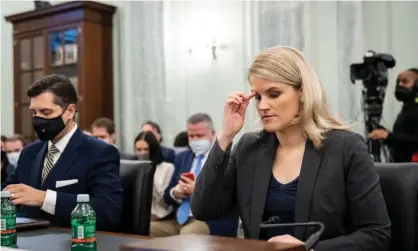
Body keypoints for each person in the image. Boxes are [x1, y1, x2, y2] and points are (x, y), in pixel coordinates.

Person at [191, 46, 391, 250]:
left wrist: (309, 249)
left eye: (274, 94)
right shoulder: (249, 147)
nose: (262, 106)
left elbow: (377, 234)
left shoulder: (346, 147)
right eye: (258, 97)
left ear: (303, 92)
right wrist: (225, 136)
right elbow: (203, 209)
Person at [2, 75, 123, 231]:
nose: (38, 120)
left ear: (70, 111)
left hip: (73, 242)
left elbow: (108, 212)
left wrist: (44, 198)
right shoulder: (30, 152)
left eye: (46, 112)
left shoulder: (100, 152)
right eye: (34, 113)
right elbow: (8, 192)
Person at [150, 113, 238, 237]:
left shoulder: (226, 159)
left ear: (213, 134)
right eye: (191, 136)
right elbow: (167, 196)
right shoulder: (182, 158)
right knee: (149, 228)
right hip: (179, 218)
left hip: (209, 220)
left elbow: (228, 197)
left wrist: (197, 191)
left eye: (199, 136)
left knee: (188, 235)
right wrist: (176, 192)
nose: (195, 140)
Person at [369, 68, 418, 162]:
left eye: (405, 81)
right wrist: (385, 134)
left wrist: (389, 136)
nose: (400, 85)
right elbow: (403, 138)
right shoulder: (407, 109)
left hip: (412, 171)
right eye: (398, 82)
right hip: (402, 168)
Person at [134, 131, 175, 220]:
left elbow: (164, 202)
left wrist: (150, 174)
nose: (142, 153)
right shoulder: (133, 167)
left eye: (146, 149)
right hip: (136, 213)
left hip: (160, 214)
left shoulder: (167, 168)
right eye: (139, 150)